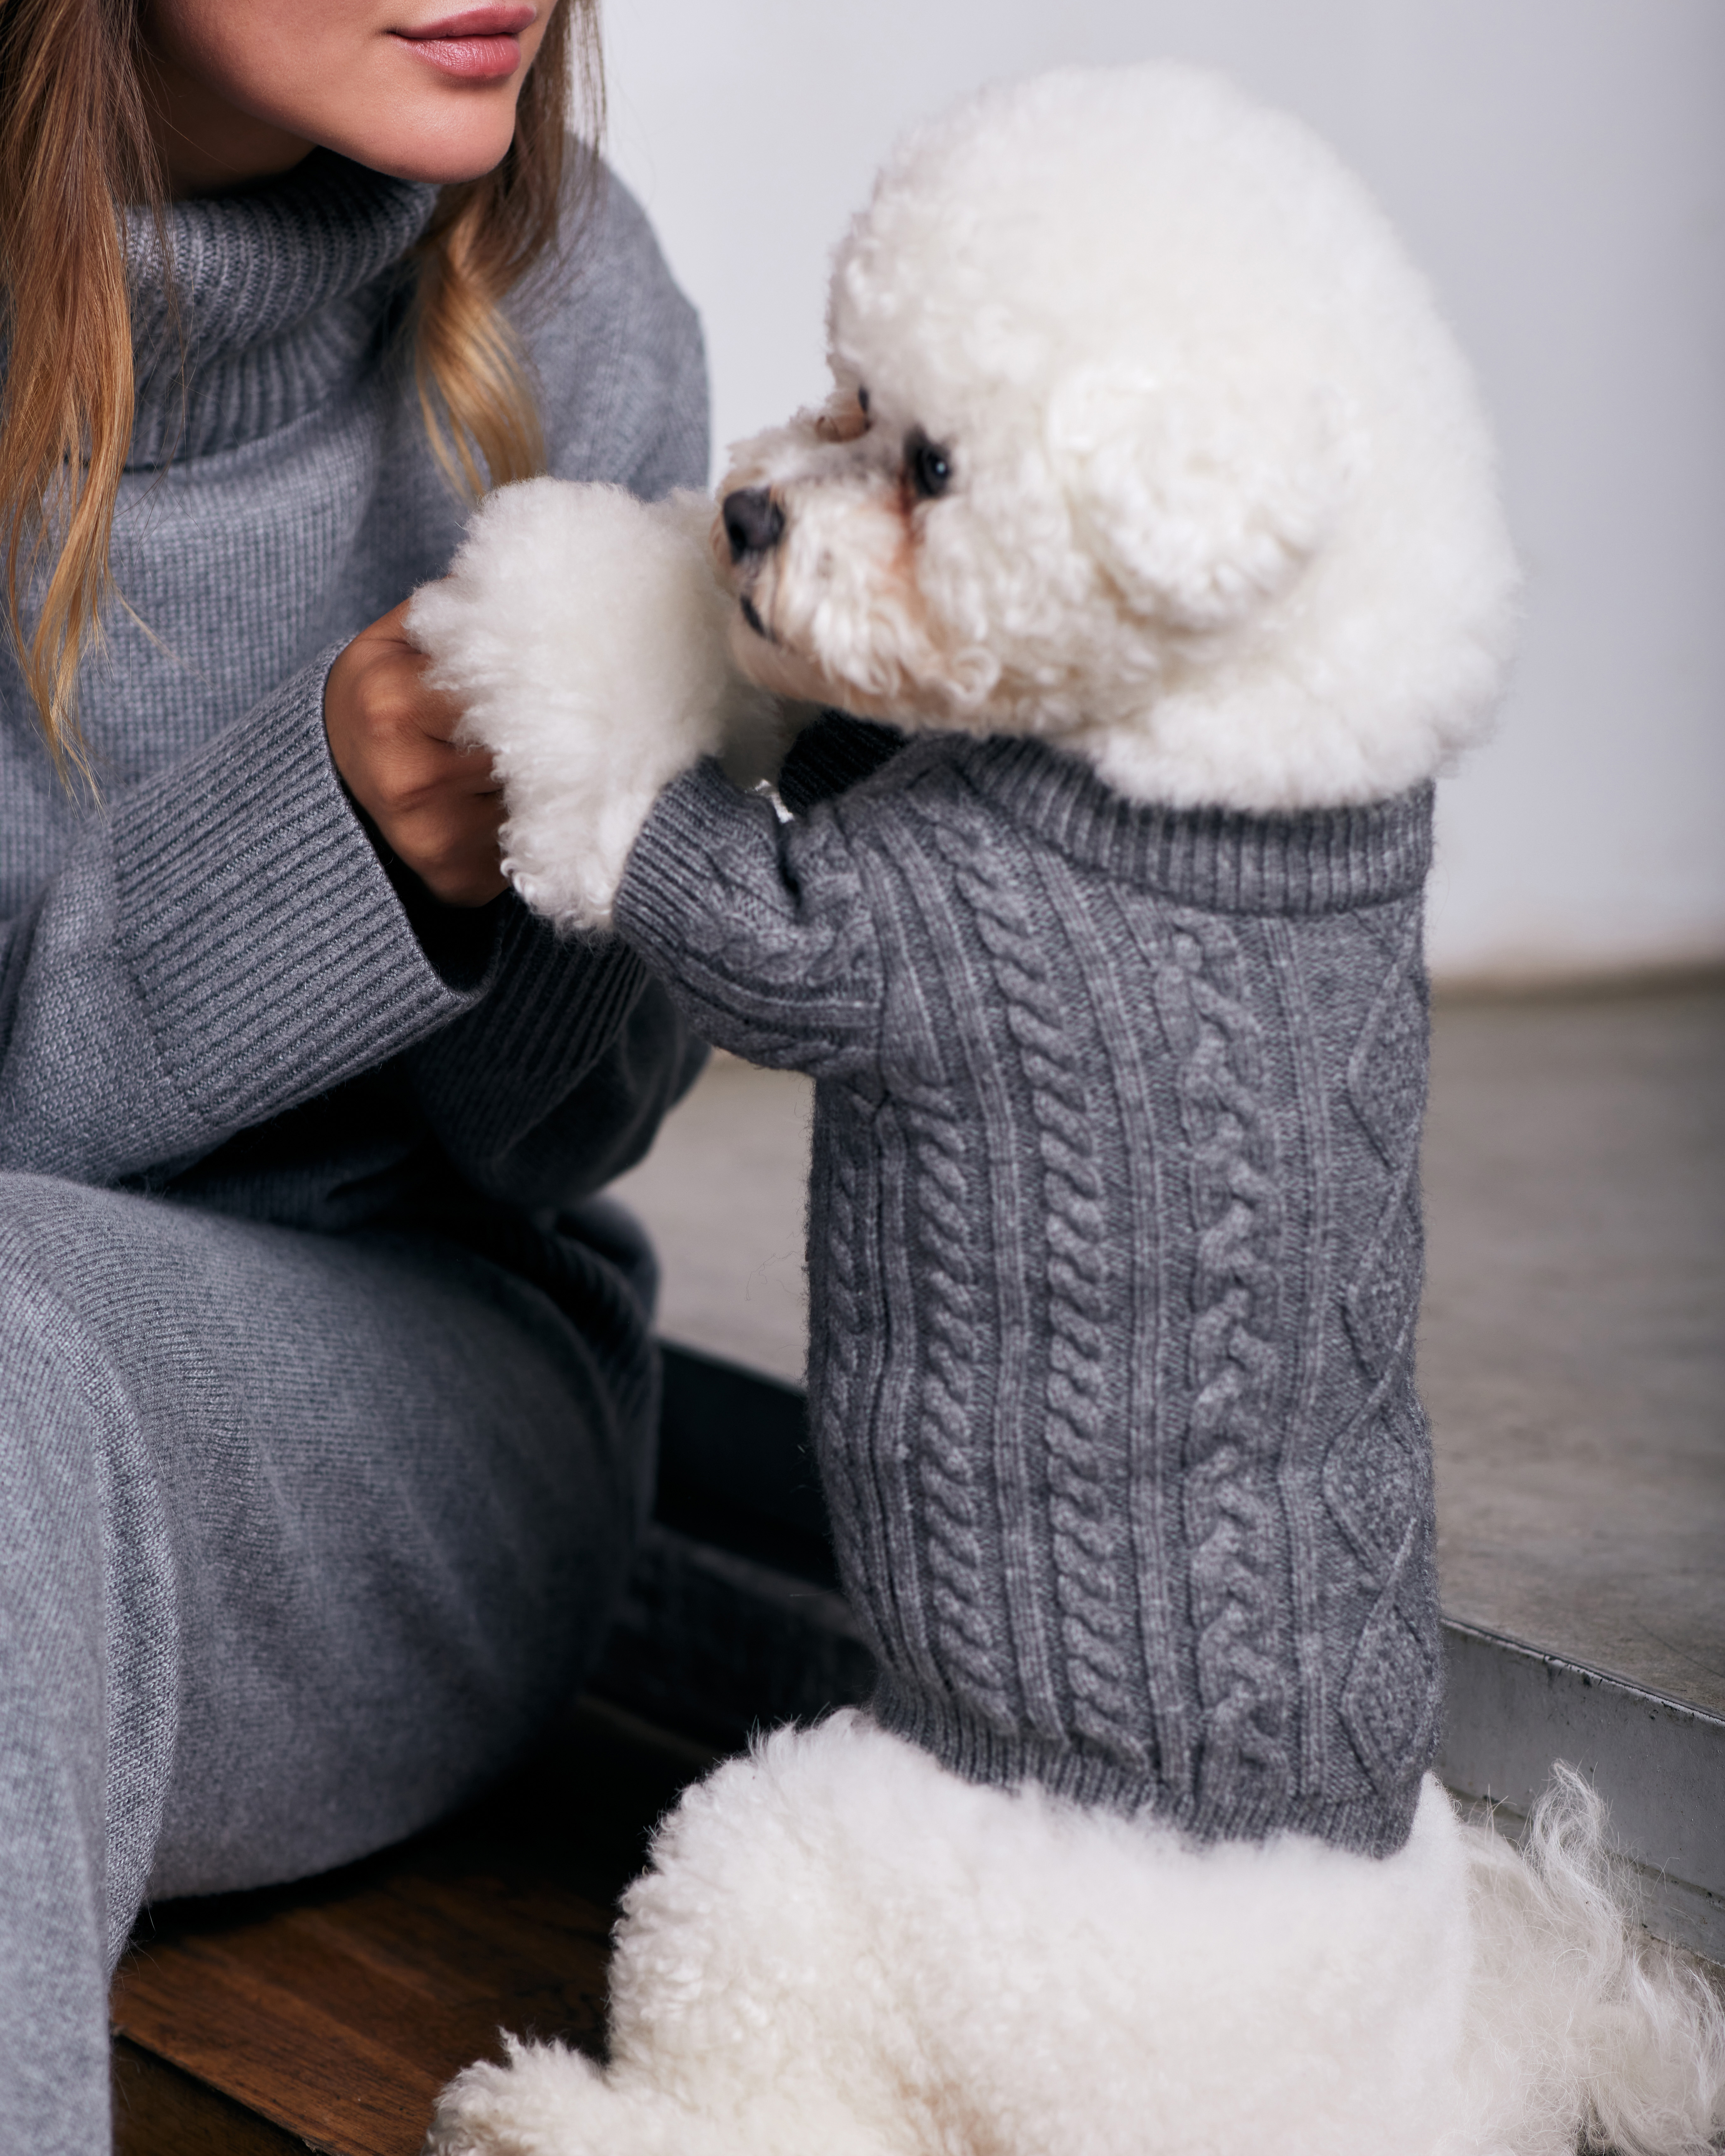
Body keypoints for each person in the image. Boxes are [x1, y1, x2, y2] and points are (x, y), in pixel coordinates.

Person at [0, 1, 708, 2144]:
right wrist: (308, 831)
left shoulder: (561, 283)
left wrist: (533, 870)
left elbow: (566, 1138)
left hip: (419, 1390)